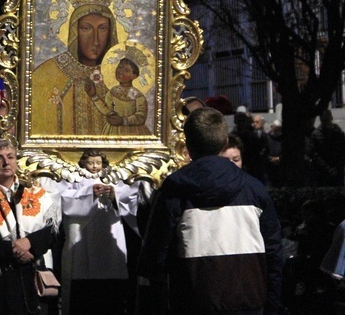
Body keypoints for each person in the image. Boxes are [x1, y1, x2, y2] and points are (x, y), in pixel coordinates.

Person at [138, 107, 283, 314]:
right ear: (225, 143)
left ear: (187, 145)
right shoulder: (254, 190)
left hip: (192, 302)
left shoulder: (174, 192)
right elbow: (274, 255)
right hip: (249, 302)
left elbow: (154, 259)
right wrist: (271, 304)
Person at [0, 139, 60, 315]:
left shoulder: (35, 192)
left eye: (10, 157)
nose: (6, 162)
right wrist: (14, 249)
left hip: (34, 270)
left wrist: (29, 242)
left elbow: (52, 231)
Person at [31, 0, 125, 136]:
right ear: (74, 32)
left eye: (102, 28)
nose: (95, 40)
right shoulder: (45, 75)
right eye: (86, 28)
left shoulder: (123, 75)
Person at [60, 149, 132, 314]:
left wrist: (114, 194)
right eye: (91, 162)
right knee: (84, 295)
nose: (94, 166)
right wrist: (88, 193)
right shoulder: (75, 178)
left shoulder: (113, 178)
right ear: (84, 162)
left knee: (110, 296)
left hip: (110, 240)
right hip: (82, 240)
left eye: (98, 163)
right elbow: (65, 199)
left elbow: (128, 198)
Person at [91, 57, 151, 136]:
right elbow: (107, 110)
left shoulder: (138, 95)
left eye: (126, 70)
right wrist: (94, 95)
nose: (120, 72)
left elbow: (141, 117)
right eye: (119, 67)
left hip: (133, 132)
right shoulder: (112, 92)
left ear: (134, 76)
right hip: (113, 131)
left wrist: (123, 120)